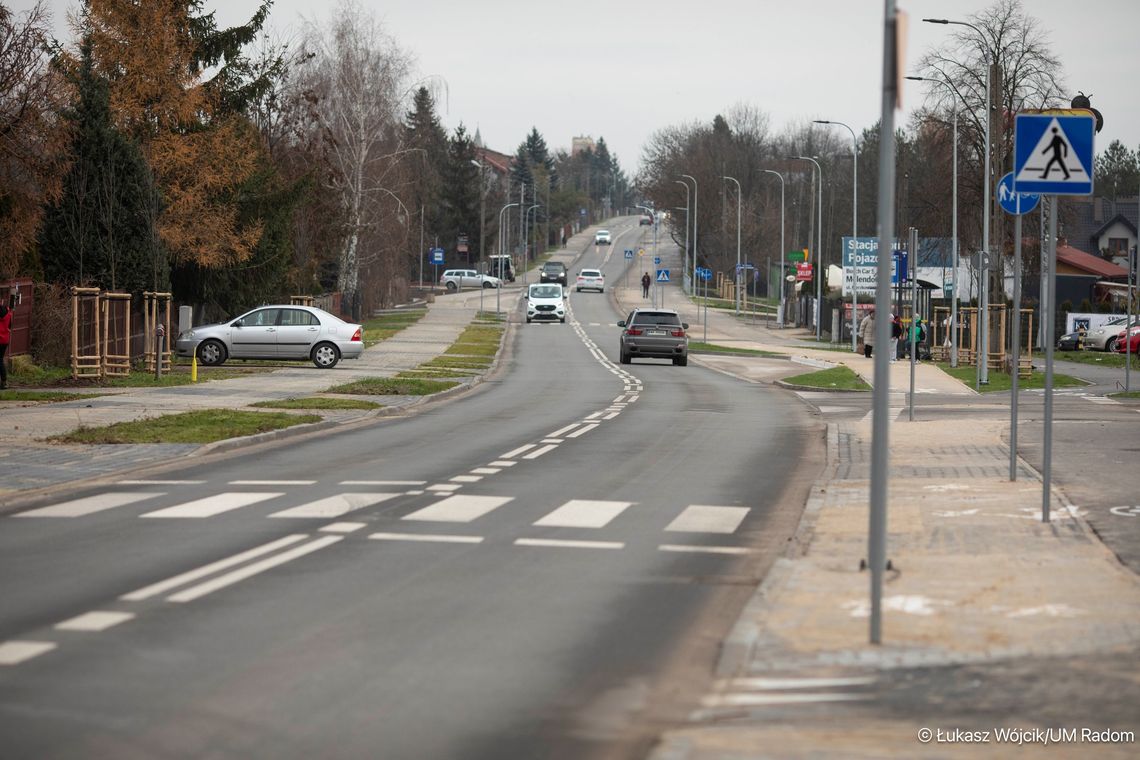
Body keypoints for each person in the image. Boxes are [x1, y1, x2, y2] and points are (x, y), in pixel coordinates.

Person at [0, 302, 10, 390]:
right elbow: (10, 325)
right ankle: (4, 381)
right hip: (5, 340)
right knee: (0, 360)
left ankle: (4, 381)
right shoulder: (8, 311)